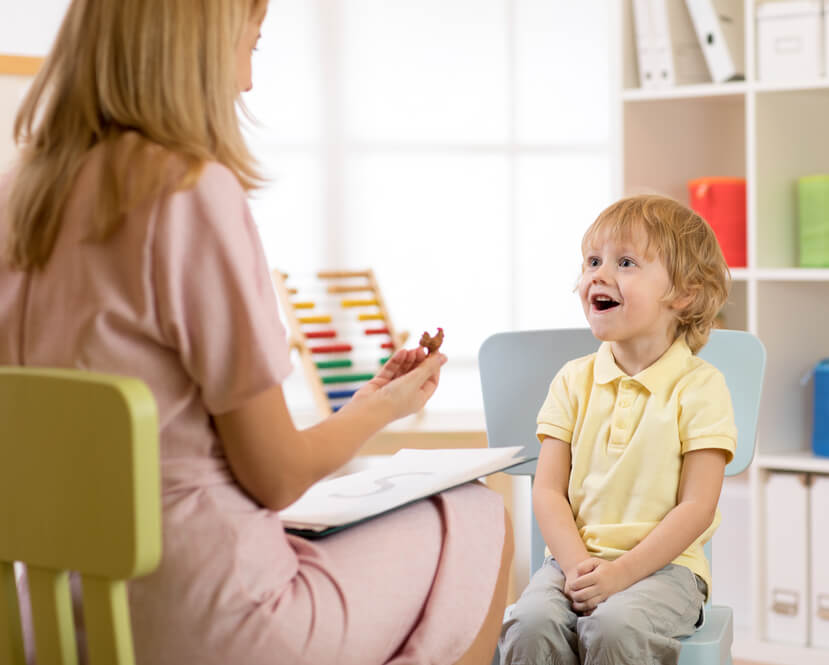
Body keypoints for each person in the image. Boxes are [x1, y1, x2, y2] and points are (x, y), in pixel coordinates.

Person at [0, 1, 512, 664]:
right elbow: (274, 477)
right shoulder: (187, 193)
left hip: (58, 623)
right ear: (197, 44)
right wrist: (379, 410)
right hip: (206, 619)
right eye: (253, 45)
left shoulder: (16, 197)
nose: (246, 81)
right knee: (477, 517)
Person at [497, 194, 736, 665]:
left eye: (625, 262)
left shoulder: (700, 387)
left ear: (683, 292)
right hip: (570, 562)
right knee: (530, 625)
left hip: (666, 571)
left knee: (615, 627)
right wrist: (576, 568)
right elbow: (547, 491)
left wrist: (621, 574)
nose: (598, 275)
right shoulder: (572, 380)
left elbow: (698, 508)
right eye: (592, 261)